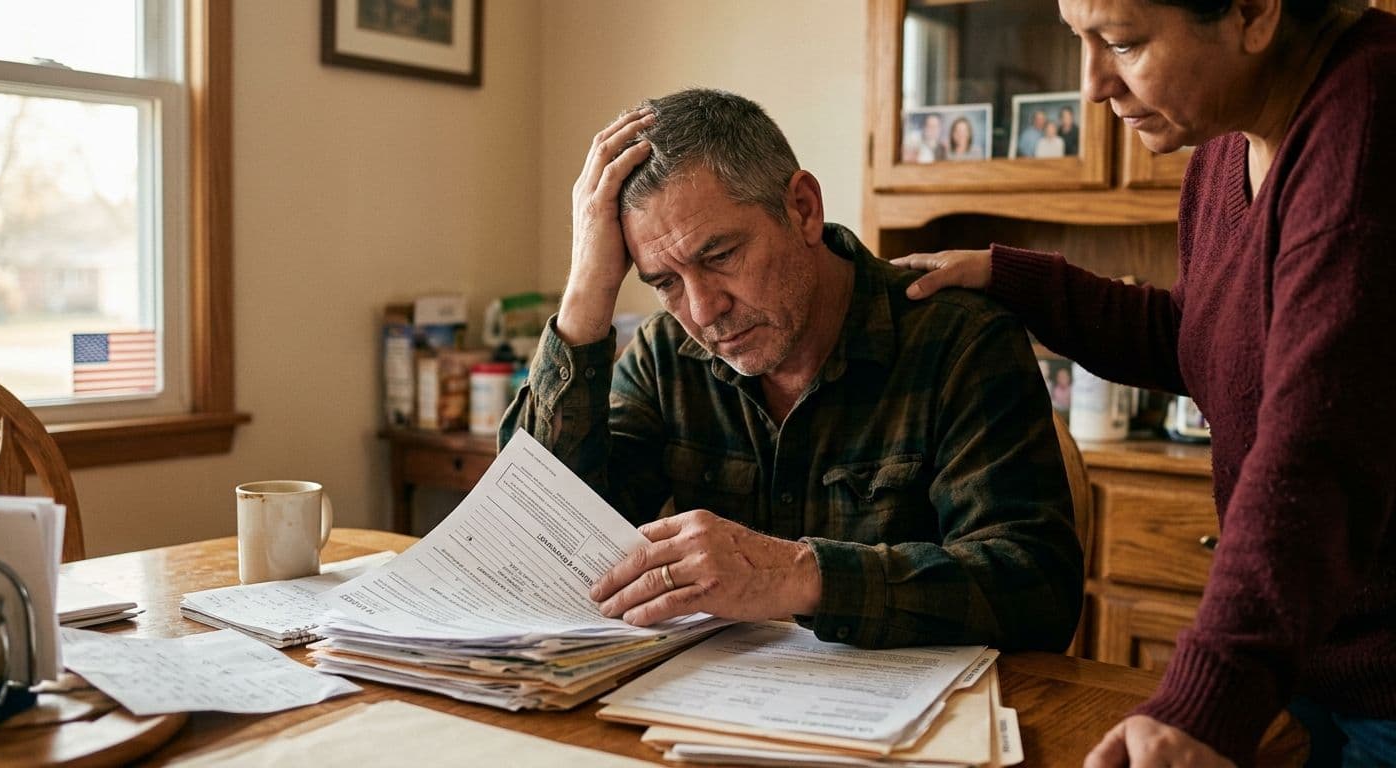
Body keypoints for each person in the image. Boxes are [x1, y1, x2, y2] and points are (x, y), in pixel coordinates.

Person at [893, 1, 1396, 765]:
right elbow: (1197, 338)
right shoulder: (1231, 144)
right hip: (1314, 655)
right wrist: (1011, 277)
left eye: (1122, 43)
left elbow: (1316, 450)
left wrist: (1208, 699)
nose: (1091, 84)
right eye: (1077, 41)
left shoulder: (1369, 125)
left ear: (1255, 12)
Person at [501, 88, 1083, 652]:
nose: (703, 311)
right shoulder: (664, 357)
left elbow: (1038, 592)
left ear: (803, 209)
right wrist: (586, 293)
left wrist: (798, 576)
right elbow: (539, 542)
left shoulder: (960, 341)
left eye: (721, 256)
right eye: (666, 283)